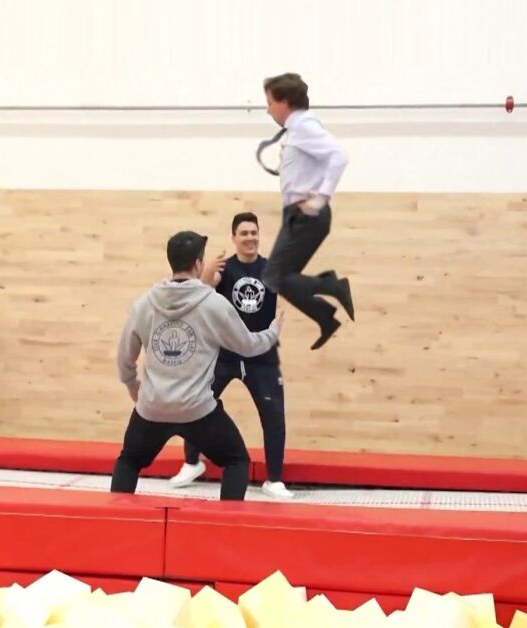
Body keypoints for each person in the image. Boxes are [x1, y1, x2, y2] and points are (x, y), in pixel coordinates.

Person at [112, 231, 284, 501]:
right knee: (236, 460)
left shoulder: (144, 304)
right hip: (197, 411)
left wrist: (133, 387)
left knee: (129, 460)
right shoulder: (214, 304)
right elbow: (248, 346)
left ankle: (115, 517)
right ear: (198, 264)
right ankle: (226, 523)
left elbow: (124, 359)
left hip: (152, 408)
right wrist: (272, 332)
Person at [168, 212, 294, 499]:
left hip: (261, 354)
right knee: (195, 402)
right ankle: (192, 462)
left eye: (254, 232)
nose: (250, 237)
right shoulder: (224, 268)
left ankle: (274, 479)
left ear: (259, 235)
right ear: (234, 238)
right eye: (244, 233)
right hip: (224, 353)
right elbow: (197, 294)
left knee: (274, 415)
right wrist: (207, 273)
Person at [257, 72, 355, 350]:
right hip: (297, 215)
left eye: (270, 103)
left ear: (285, 102)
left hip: (306, 216)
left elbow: (339, 157)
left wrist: (321, 197)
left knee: (274, 278)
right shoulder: (298, 130)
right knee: (282, 279)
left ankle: (332, 288)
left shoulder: (303, 126)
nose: (268, 110)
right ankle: (325, 317)